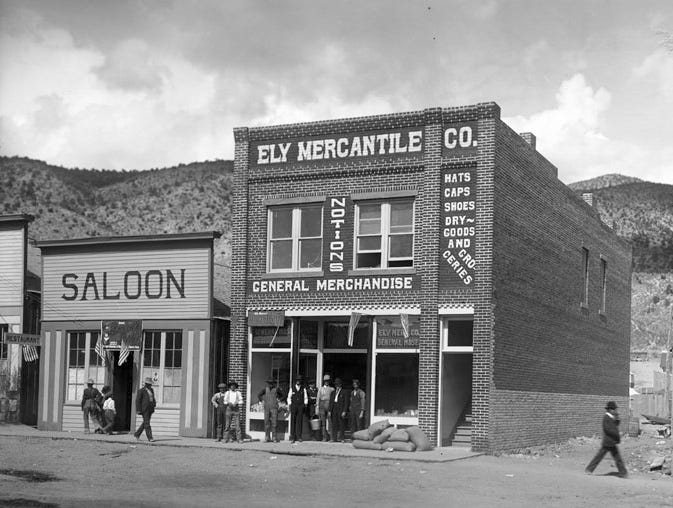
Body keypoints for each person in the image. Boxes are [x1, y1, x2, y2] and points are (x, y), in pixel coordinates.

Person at [585, 401, 628, 478]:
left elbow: (615, 425)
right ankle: (623, 473)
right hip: (608, 441)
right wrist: (617, 434)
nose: (615, 411)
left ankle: (623, 472)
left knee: (614, 457)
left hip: (611, 442)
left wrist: (617, 419)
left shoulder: (611, 417)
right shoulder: (606, 418)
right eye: (614, 409)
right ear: (610, 410)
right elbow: (608, 429)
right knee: (605, 457)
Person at [258, 377, 282, 442]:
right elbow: (259, 395)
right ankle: (267, 437)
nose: (271, 384)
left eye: (272, 383)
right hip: (267, 408)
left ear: (274, 383)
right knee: (266, 422)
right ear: (268, 383)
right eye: (269, 383)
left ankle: (274, 437)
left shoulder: (277, 389)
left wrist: (279, 400)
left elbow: (282, 395)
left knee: (274, 423)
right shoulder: (265, 389)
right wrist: (262, 401)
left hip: (274, 407)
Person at [134, 377, 156, 442]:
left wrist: (154, 404)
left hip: (150, 409)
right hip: (144, 409)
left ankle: (137, 434)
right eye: (149, 384)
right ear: (146, 384)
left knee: (145, 423)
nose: (150, 385)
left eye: (150, 384)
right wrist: (138, 409)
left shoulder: (151, 390)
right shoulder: (141, 391)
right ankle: (150, 437)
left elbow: (152, 398)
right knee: (147, 423)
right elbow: (138, 400)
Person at [287, 374, 308, 443]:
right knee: (293, 420)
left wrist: (305, 403)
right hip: (293, 405)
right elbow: (289, 397)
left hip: (300, 406)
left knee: (299, 421)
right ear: (295, 381)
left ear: (300, 381)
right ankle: (292, 436)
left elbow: (305, 397)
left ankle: (299, 436)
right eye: (297, 380)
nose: (298, 381)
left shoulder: (303, 388)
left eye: (299, 380)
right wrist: (290, 404)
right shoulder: (292, 388)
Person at [329, 377, 348, 442]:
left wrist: (344, 411)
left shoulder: (344, 392)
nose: (337, 386)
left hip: (341, 409)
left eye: (338, 384)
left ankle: (342, 438)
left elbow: (346, 402)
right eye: (336, 385)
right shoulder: (333, 392)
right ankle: (334, 438)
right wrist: (329, 410)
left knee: (341, 424)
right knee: (334, 424)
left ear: (340, 385)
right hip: (334, 409)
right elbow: (331, 402)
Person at [317, 374, 334, 441]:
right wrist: (317, 407)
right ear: (323, 381)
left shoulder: (332, 389)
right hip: (322, 405)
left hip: (329, 405)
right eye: (325, 381)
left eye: (328, 380)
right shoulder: (320, 389)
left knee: (330, 422)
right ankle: (324, 437)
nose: (326, 382)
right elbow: (318, 398)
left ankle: (331, 437)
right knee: (323, 422)